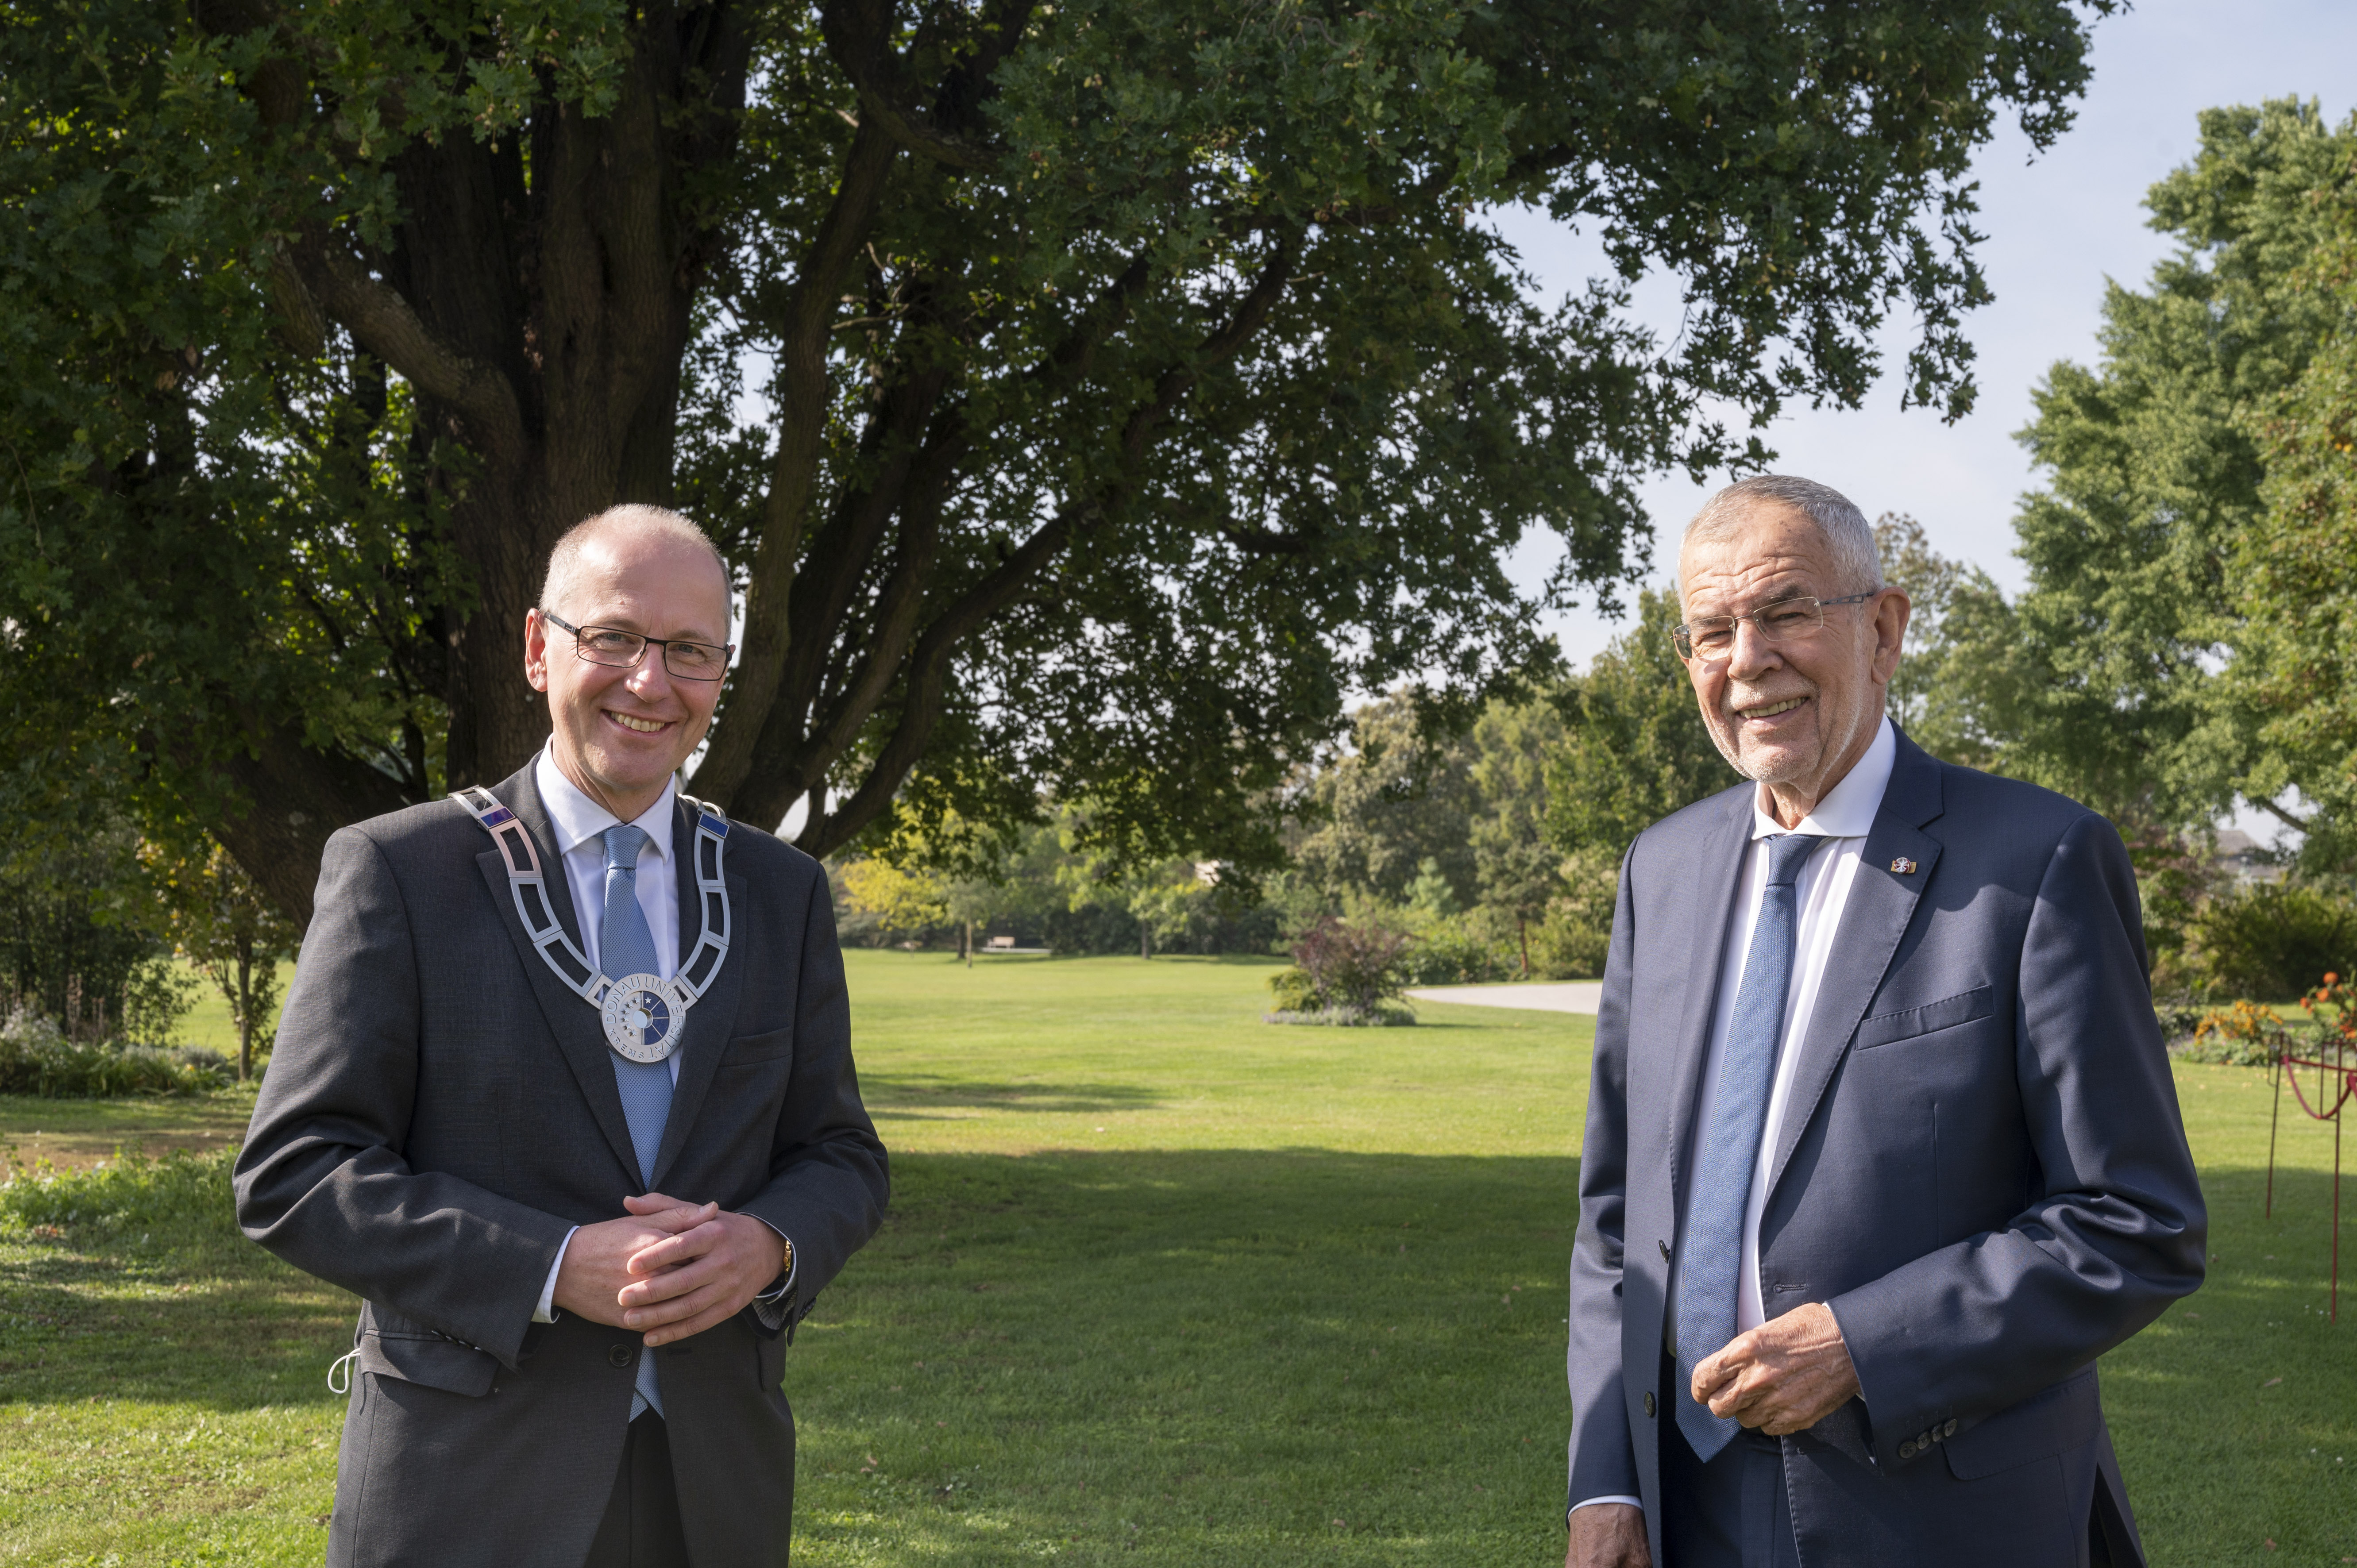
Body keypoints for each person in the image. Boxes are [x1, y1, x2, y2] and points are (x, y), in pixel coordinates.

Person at [1562, 476, 2206, 1568]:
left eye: (1785, 611)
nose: (1748, 658)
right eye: (1712, 630)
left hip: (1936, 1518)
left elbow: (2135, 1220)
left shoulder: (2035, 861)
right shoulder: (1658, 870)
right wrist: (1606, 1480)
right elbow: (1619, 1221)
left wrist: (1863, 1343)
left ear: (1885, 627)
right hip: (1683, 1510)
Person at [236, 505, 889, 1568]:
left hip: (712, 1478)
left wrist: (767, 1242)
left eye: (689, 651)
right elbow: (297, 1171)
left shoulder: (781, 890)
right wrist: (550, 1264)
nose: (650, 682)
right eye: (616, 638)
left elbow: (841, 1155)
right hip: (469, 1481)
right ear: (541, 649)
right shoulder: (403, 870)